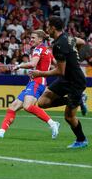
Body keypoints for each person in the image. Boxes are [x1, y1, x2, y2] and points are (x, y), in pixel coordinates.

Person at [0, 30, 60, 139]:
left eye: (33, 38)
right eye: (30, 38)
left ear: (40, 39)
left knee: (27, 106)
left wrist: (19, 66)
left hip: (37, 82)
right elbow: (57, 66)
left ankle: (52, 123)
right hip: (36, 82)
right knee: (13, 107)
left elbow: (33, 64)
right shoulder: (47, 51)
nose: (31, 40)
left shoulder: (38, 49)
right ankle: (1, 131)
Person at [30, 16, 88, 149]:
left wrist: (40, 73)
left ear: (53, 28)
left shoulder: (59, 46)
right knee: (43, 102)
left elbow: (60, 71)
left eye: (47, 26)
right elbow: (81, 41)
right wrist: (74, 57)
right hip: (66, 79)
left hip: (75, 82)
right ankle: (79, 100)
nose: (46, 29)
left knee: (69, 117)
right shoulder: (67, 37)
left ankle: (81, 140)